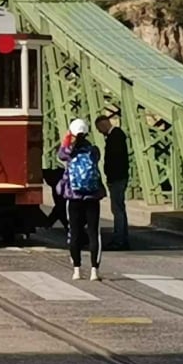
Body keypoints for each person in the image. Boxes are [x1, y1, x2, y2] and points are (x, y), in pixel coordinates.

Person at [57, 118, 106, 281]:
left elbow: (61, 154)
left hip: (74, 196)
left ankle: (76, 270)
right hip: (92, 196)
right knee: (93, 233)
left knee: (75, 232)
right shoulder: (94, 151)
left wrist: (67, 138)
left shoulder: (68, 153)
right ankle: (94, 271)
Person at [96, 114, 130, 250]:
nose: (99, 131)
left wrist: (110, 177)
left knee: (117, 210)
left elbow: (114, 160)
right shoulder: (117, 136)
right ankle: (122, 238)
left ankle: (119, 240)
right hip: (119, 177)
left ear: (103, 125)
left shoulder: (114, 137)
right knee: (120, 208)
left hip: (117, 178)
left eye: (99, 128)